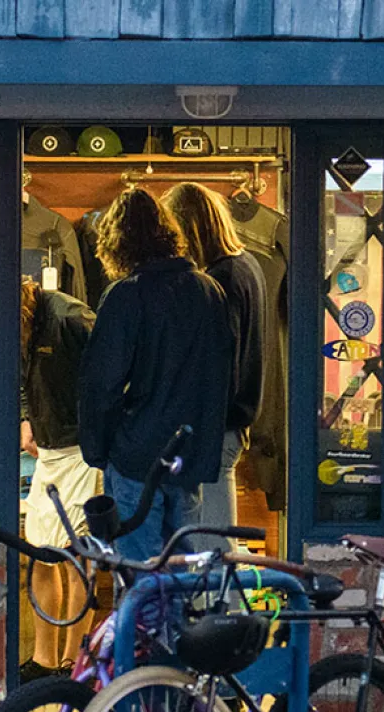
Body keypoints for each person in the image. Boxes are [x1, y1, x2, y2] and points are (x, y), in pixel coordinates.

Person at [0, 262, 100, 683]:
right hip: (50, 451)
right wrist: (27, 419)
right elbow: (21, 381)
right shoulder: (16, 328)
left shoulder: (69, 318)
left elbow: (109, 378)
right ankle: (44, 659)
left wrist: (98, 437)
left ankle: (74, 663)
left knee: (78, 557)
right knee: (40, 553)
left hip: (83, 450)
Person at [78, 187, 234, 561]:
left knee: (138, 570)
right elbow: (222, 375)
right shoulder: (209, 289)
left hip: (137, 455)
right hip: (189, 456)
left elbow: (101, 385)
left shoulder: (126, 295)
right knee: (181, 566)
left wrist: (98, 450)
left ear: (117, 243)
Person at [162, 182, 266, 548]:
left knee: (212, 544)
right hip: (234, 420)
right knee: (214, 538)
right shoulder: (247, 265)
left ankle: (225, 590)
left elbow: (220, 362)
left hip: (216, 425)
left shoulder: (221, 279)